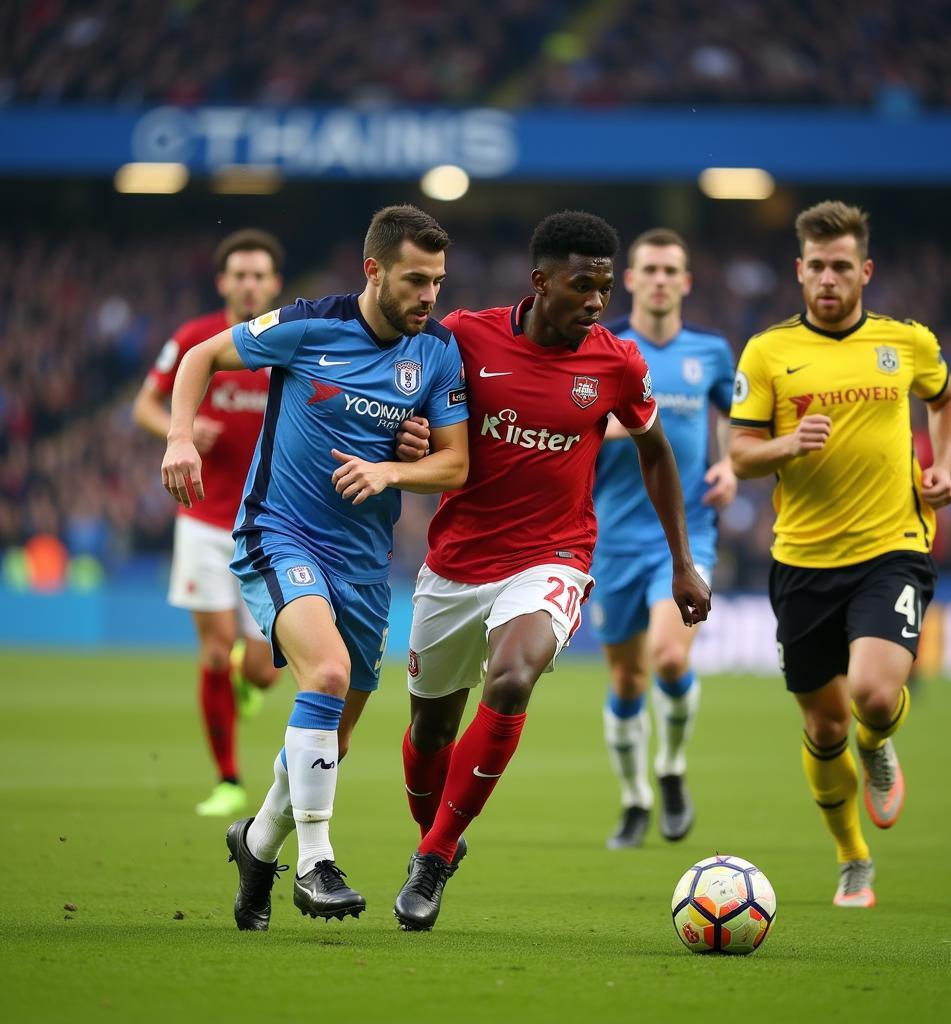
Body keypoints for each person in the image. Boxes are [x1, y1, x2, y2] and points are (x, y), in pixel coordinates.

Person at [392, 210, 711, 932]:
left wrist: (682, 565)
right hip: (455, 564)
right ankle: (435, 834)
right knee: (428, 735)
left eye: (604, 287)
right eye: (582, 286)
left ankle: (435, 858)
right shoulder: (466, 337)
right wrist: (408, 437)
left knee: (511, 678)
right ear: (540, 283)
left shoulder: (617, 362)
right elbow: (410, 412)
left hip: (553, 557)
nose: (597, 302)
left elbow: (656, 451)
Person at [160, 205, 470, 930]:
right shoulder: (308, 325)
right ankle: (316, 864)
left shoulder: (437, 353)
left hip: (365, 562)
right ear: (374, 270)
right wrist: (180, 439)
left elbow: (453, 463)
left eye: (438, 282)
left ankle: (258, 843)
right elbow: (201, 356)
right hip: (281, 533)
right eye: (416, 280)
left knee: (333, 734)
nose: (429, 295)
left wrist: (395, 472)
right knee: (325, 676)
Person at [729, 200, 951, 908]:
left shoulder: (906, 343)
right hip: (802, 560)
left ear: (864, 270)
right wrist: (785, 445)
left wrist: (945, 463)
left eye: (841, 266)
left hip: (893, 546)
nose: (828, 279)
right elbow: (739, 456)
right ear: (798, 271)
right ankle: (851, 854)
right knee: (822, 723)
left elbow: (947, 402)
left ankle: (880, 740)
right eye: (816, 267)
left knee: (871, 693)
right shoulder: (768, 352)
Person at [591, 228, 736, 849]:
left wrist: (729, 464)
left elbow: (731, 416)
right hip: (610, 537)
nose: (658, 279)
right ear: (630, 279)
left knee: (670, 657)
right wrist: (632, 429)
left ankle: (672, 768)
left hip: (683, 533)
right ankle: (634, 799)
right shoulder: (603, 346)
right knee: (626, 681)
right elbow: (581, 423)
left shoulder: (711, 352)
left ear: (685, 281)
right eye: (647, 268)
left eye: (669, 270)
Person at [133, 229, 285, 818]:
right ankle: (228, 779)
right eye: (239, 275)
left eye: (259, 275)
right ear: (223, 282)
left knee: (264, 671)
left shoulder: (290, 342)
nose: (249, 284)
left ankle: (252, 684)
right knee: (216, 652)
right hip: (200, 518)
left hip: (269, 525)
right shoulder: (195, 339)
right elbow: (144, 405)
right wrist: (184, 431)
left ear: (273, 284)